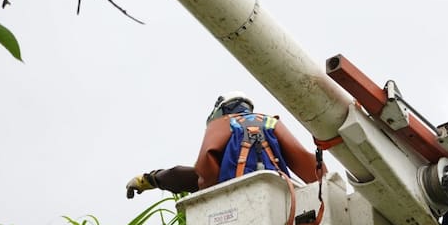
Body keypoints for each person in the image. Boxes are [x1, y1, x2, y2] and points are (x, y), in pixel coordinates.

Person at [125, 91, 324, 198]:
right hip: (280, 196)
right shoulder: (270, 122)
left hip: (234, 200)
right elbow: (306, 163)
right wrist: (329, 188)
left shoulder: (222, 125)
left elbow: (203, 168)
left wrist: (212, 193)